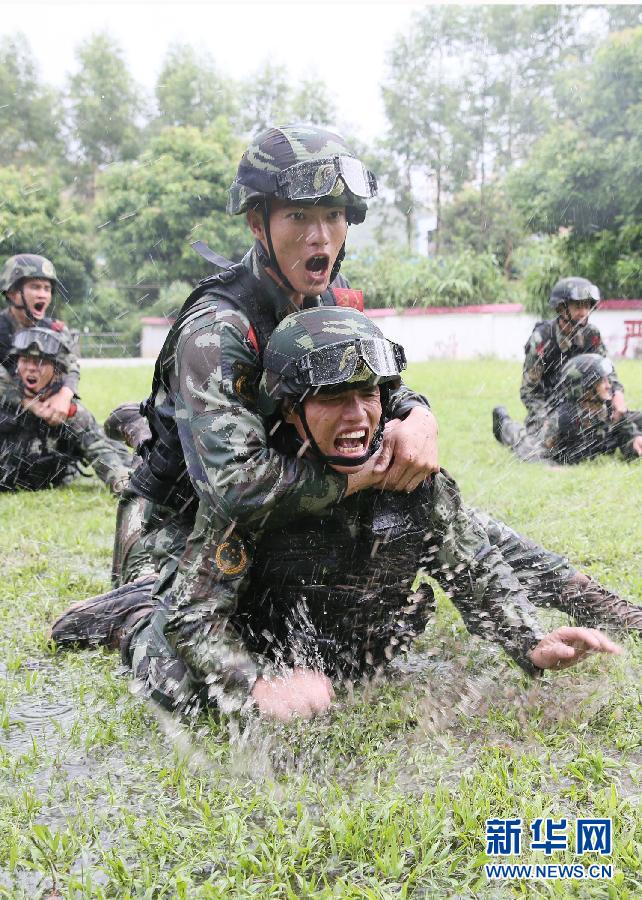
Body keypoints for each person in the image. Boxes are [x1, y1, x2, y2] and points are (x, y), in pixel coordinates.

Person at [52, 308, 637, 722]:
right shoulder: (261, 492)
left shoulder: (407, 473)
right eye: (333, 396)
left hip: (345, 635)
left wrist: (529, 637)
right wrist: (253, 684)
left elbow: (473, 563)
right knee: (180, 683)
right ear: (289, 409)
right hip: (260, 629)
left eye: (370, 394)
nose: (358, 415)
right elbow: (194, 618)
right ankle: (129, 612)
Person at [493, 276, 639, 460]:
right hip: (549, 407)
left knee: (627, 421)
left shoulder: (591, 335)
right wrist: (546, 420)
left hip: (585, 404)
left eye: (587, 306)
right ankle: (504, 425)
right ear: (561, 308)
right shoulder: (542, 339)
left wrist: (617, 395)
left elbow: (606, 372)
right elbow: (530, 391)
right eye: (578, 306)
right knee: (534, 448)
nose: (584, 312)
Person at [0, 327, 132, 493]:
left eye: (40, 362)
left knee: (111, 443)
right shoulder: (5, 400)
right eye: (25, 360)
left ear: (57, 371)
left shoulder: (71, 415)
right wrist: (30, 404)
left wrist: (121, 482)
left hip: (45, 482)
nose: (31, 368)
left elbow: (103, 455)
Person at [496, 354, 642, 464]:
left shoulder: (609, 406)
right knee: (523, 441)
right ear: (585, 388)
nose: (609, 386)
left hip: (590, 443)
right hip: (548, 436)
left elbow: (624, 432)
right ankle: (504, 423)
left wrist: (634, 441)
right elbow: (541, 454)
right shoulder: (564, 420)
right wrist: (553, 466)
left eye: (607, 380)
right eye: (602, 381)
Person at [0, 254, 80, 426]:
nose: (43, 294)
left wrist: (65, 396)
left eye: (47, 288)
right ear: (12, 293)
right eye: (35, 287)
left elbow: (71, 365)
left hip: (50, 409)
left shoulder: (55, 330)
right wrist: (29, 403)